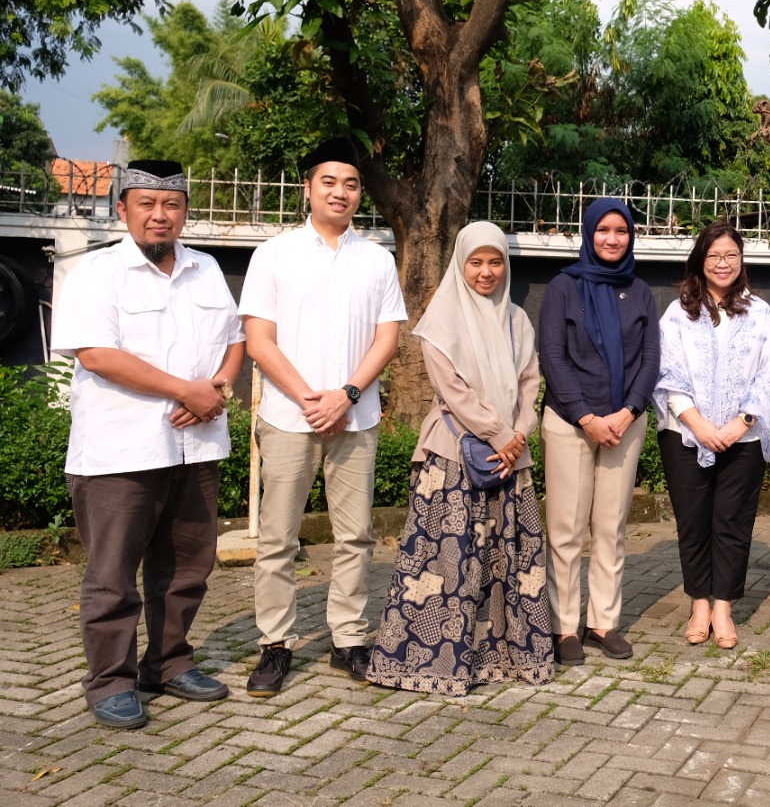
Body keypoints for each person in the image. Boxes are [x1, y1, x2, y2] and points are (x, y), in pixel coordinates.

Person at [52, 160, 245, 728]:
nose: (160, 215)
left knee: (188, 568)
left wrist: (219, 389)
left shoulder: (205, 268)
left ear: (184, 211)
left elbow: (234, 341)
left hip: (197, 447)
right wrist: (186, 389)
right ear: (123, 210)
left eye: (172, 205)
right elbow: (97, 355)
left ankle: (167, 662)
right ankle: (109, 681)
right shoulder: (94, 272)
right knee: (112, 575)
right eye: (146, 204)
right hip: (121, 450)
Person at [239, 138, 406, 696]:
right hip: (290, 417)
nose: (341, 192)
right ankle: (275, 645)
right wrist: (313, 397)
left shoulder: (377, 258)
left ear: (360, 193)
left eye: (351, 183)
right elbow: (259, 340)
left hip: (355, 419)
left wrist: (348, 393)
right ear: (308, 187)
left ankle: (349, 640)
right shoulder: (275, 254)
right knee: (277, 537)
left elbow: (388, 338)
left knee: (355, 535)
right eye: (329, 181)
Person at [366, 222, 556, 694]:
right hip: (456, 455)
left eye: (495, 262)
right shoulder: (441, 319)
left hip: (511, 456)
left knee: (506, 560)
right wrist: (502, 436)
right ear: (460, 263)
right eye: (476, 262)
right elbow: (450, 390)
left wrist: (520, 432)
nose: (486, 272)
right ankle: (432, 664)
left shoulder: (516, 319)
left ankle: (505, 659)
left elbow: (531, 381)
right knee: (446, 563)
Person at [538, 199, 660, 666]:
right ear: (588, 234)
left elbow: (650, 360)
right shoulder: (563, 288)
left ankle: (603, 622)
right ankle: (564, 626)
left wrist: (628, 412)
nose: (613, 239)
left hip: (625, 424)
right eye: (604, 230)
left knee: (611, 527)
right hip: (571, 423)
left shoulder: (642, 290)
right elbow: (553, 356)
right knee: (566, 529)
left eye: (622, 231)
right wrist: (588, 417)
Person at [654, 220, 770, 649]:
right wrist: (700, 425)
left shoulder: (760, 313)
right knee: (693, 523)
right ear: (700, 261)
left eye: (731, 255)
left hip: (741, 438)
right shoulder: (678, 312)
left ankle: (724, 607)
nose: (723, 263)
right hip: (685, 434)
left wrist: (740, 423)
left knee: (732, 523)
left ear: (741, 260)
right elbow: (669, 374)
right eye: (714, 256)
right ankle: (699, 606)